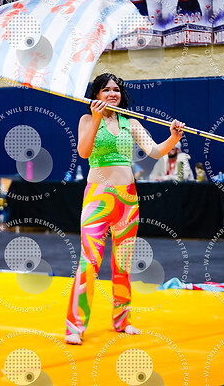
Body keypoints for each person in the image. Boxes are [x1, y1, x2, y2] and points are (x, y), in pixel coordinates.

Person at [65, 73, 185, 345]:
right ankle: (75, 326)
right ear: (96, 95)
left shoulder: (130, 122)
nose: (112, 94)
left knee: (123, 264)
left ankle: (122, 320)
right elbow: (84, 152)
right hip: (98, 199)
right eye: (106, 90)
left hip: (127, 200)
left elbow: (155, 151)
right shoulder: (87, 120)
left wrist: (173, 138)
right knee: (89, 262)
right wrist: (96, 118)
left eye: (116, 90)